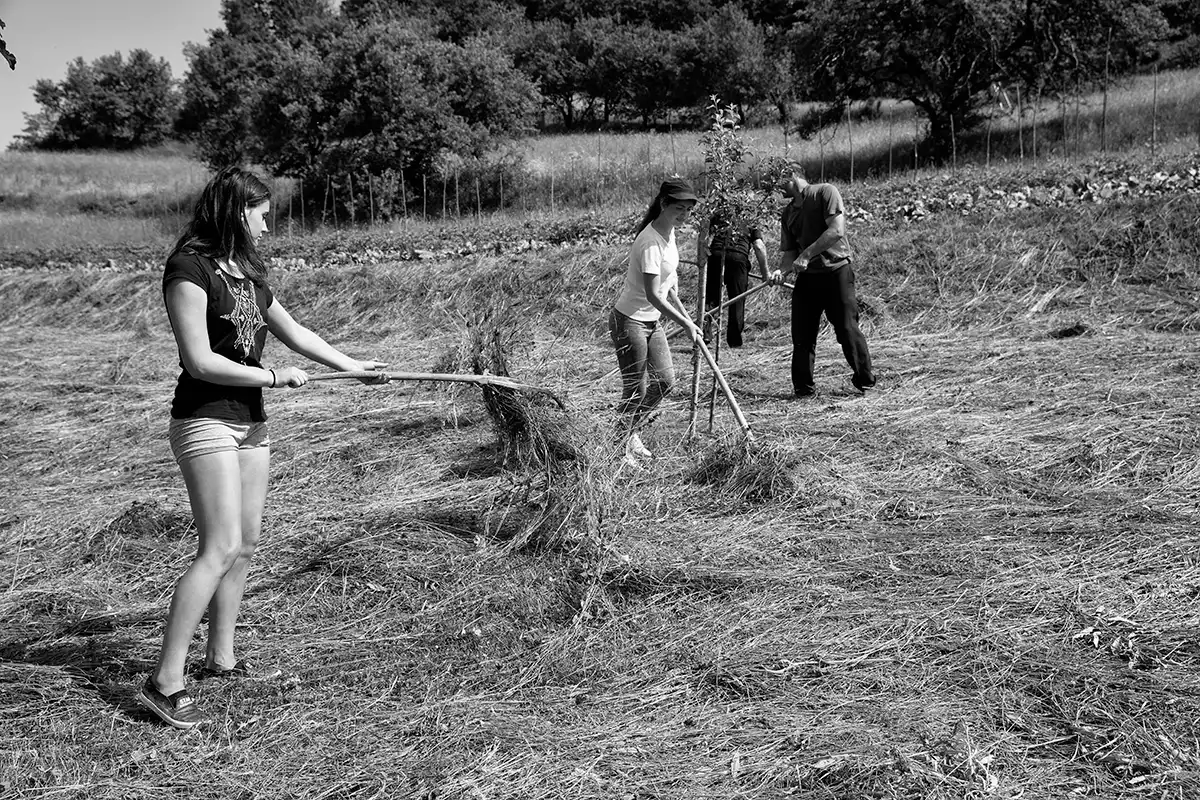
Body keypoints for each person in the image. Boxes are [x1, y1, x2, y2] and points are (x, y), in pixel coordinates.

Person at [139, 167, 389, 729]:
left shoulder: (249, 274)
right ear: (235, 210)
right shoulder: (189, 269)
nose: (268, 225)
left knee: (245, 544)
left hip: (250, 422)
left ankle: (220, 660)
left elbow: (296, 331)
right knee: (219, 545)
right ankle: (163, 682)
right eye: (261, 213)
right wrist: (272, 378)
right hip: (205, 419)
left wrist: (354, 368)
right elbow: (199, 360)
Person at [609, 177, 702, 463]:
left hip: (652, 321)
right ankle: (617, 447)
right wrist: (686, 323)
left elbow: (665, 276)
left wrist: (671, 284)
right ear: (664, 205)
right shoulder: (649, 241)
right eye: (679, 209)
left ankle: (629, 431)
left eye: (689, 210)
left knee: (665, 381)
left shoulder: (669, 232)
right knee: (636, 389)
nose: (685, 216)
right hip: (630, 320)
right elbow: (651, 294)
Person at [775, 161, 875, 397]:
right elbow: (790, 253)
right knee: (802, 336)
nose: (774, 188)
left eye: (778, 181)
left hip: (836, 272)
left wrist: (807, 254)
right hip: (807, 279)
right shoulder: (788, 213)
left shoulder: (825, 192)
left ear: (791, 176)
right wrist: (781, 271)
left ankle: (865, 381)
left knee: (847, 329)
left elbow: (836, 230)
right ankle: (803, 390)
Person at [702, 212, 770, 348]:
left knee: (711, 297)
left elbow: (703, 238)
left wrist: (705, 258)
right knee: (737, 299)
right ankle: (734, 341)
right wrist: (765, 273)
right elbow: (759, 246)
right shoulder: (751, 218)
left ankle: (704, 335)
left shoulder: (719, 213)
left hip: (715, 255)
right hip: (738, 259)